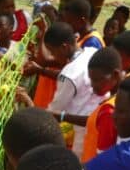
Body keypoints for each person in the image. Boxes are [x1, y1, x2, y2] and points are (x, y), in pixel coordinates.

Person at [20, 22, 100, 156]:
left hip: (81, 132)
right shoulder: (92, 53)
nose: (53, 57)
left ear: (64, 47)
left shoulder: (68, 75)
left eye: (53, 52)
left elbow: (52, 113)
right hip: (97, 122)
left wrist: (28, 101)